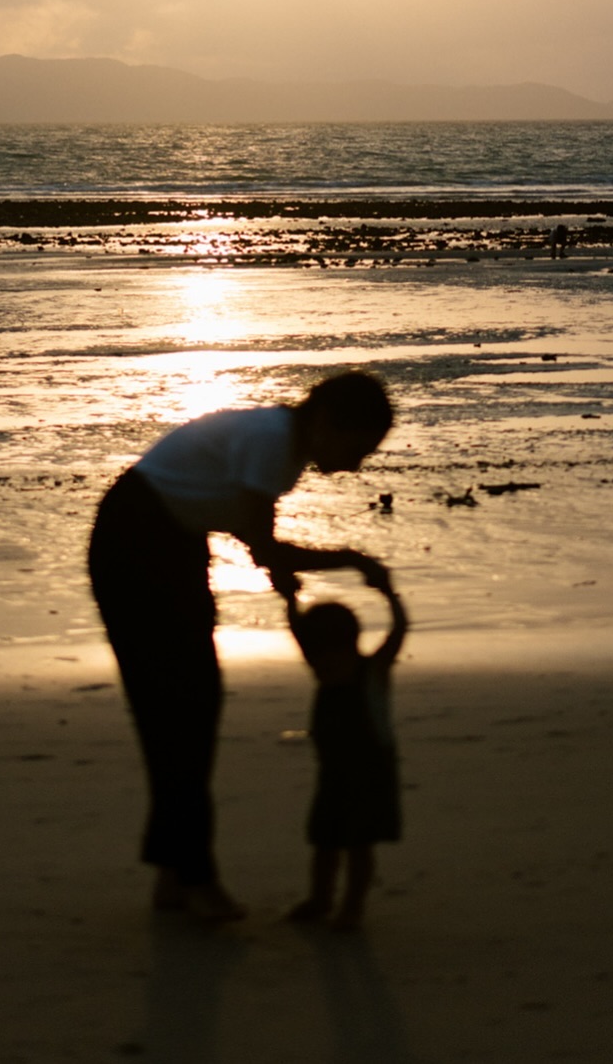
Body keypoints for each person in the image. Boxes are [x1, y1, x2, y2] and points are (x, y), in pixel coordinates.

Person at [87, 370, 395, 922]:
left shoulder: (280, 443)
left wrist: (285, 569)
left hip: (173, 544)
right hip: (136, 543)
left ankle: (174, 875)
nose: (355, 465)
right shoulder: (275, 442)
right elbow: (262, 543)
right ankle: (193, 879)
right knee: (180, 712)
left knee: (188, 711)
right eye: (358, 448)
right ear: (328, 421)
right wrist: (353, 560)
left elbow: (247, 533)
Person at [283, 576, 408, 931]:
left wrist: (387, 594)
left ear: (350, 646)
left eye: (328, 657)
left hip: (371, 772)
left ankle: (352, 907)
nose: (322, 666)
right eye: (317, 657)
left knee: (358, 844)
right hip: (333, 773)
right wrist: (289, 598)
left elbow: (399, 631)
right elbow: (298, 632)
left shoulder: (373, 670)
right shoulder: (323, 671)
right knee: (325, 841)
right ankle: (320, 899)